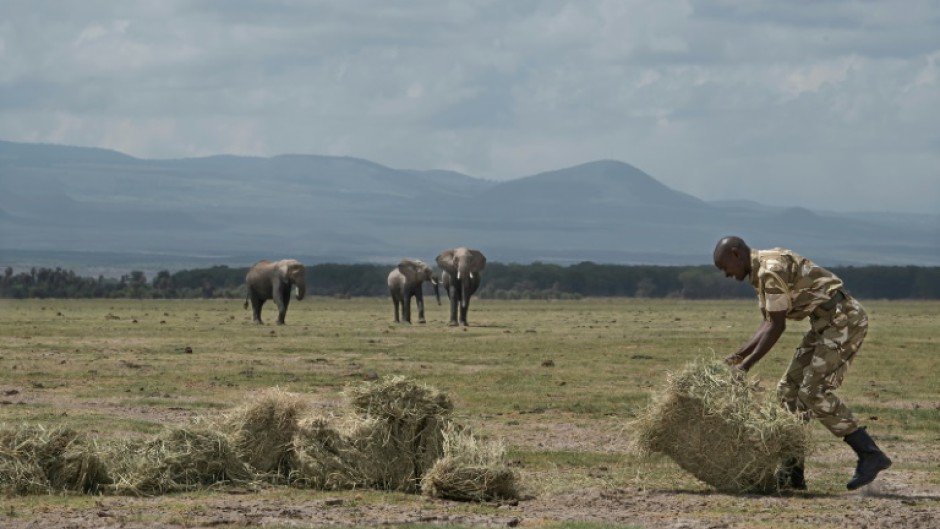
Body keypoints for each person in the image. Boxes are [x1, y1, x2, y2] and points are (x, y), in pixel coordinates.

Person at [713, 235, 891, 491]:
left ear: (736, 255)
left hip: (843, 320)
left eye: (724, 267)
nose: (726, 274)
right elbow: (767, 322)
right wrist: (737, 357)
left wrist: (746, 366)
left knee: (812, 393)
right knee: (788, 391)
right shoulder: (760, 271)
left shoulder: (769, 271)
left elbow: (777, 326)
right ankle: (792, 473)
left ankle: (869, 454)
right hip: (824, 323)